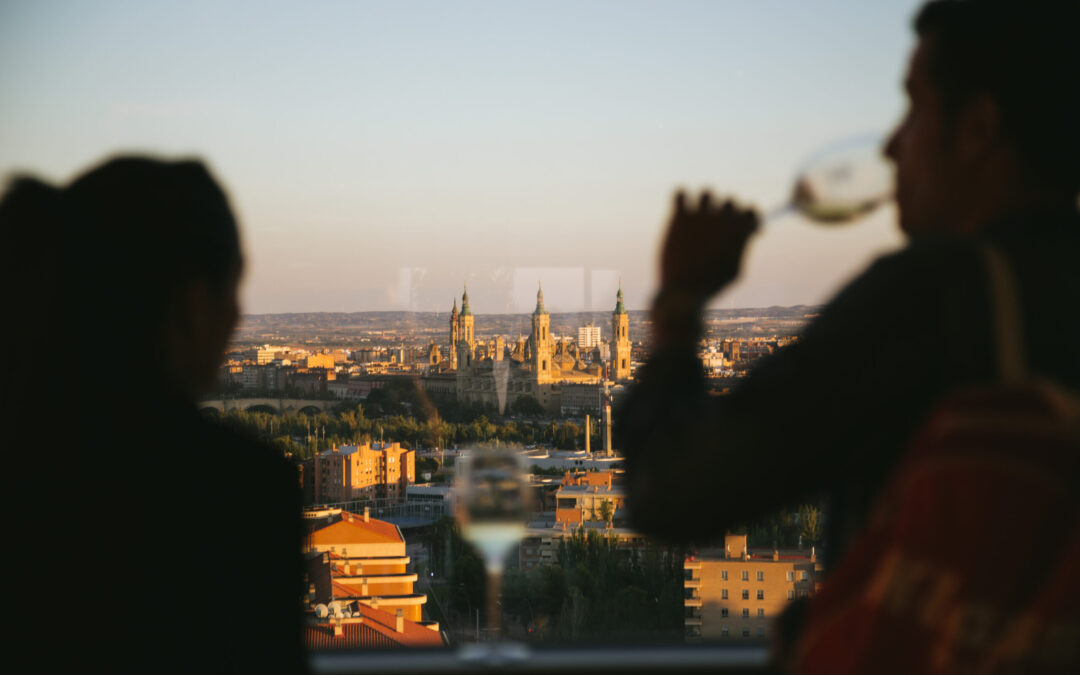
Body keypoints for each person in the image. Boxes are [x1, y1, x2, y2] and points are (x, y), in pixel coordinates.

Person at [617, 0, 1079, 597]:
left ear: (978, 130)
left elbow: (671, 492)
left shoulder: (926, 302)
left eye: (914, 108)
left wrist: (680, 306)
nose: (891, 148)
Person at [1, 158, 304, 673]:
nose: (236, 318)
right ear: (192, 305)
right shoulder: (236, 487)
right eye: (232, 293)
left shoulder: (26, 461)